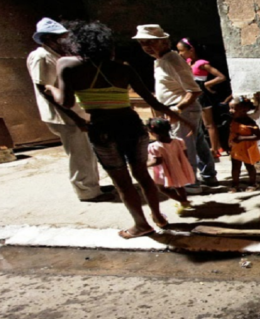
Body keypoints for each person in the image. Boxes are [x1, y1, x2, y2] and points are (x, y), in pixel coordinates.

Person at [46, 21, 188, 238]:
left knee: (122, 181)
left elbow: (65, 102)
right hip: (132, 126)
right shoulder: (123, 68)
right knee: (142, 175)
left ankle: (141, 225)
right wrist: (179, 117)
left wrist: (51, 90)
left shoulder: (67, 64)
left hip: (103, 129)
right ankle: (158, 217)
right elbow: (152, 100)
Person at [26, 17, 114, 203]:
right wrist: (74, 117)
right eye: (62, 37)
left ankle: (92, 185)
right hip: (64, 116)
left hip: (76, 113)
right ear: (50, 38)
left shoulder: (56, 55)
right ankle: (86, 191)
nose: (67, 40)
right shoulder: (41, 56)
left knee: (87, 151)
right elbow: (45, 89)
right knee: (79, 154)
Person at [133, 25, 218, 193]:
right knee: (198, 143)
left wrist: (177, 110)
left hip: (182, 110)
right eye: (143, 43)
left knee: (185, 147)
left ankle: (191, 183)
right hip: (181, 110)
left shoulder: (172, 61)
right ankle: (209, 176)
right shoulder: (161, 60)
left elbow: (194, 90)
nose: (147, 46)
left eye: (152, 42)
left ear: (164, 42)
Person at [176, 37, 227, 158]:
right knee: (199, 125)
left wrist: (206, 84)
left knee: (209, 124)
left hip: (201, 96)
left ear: (191, 50)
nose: (180, 53)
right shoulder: (188, 62)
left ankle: (215, 149)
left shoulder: (202, 63)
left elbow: (221, 77)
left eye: (182, 50)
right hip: (190, 94)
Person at [145, 118, 195, 215]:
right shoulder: (179, 141)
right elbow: (185, 155)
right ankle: (184, 201)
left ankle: (182, 201)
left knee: (162, 188)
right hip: (179, 168)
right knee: (179, 186)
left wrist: (146, 164)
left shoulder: (154, 146)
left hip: (165, 171)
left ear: (152, 133)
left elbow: (157, 161)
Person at [228, 96, 260, 193]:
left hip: (247, 148)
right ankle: (235, 185)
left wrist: (242, 138)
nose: (231, 111)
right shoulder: (233, 120)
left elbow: (258, 136)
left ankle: (253, 183)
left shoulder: (249, 122)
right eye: (230, 108)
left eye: (233, 108)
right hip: (236, 148)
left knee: (249, 166)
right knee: (235, 167)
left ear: (244, 110)